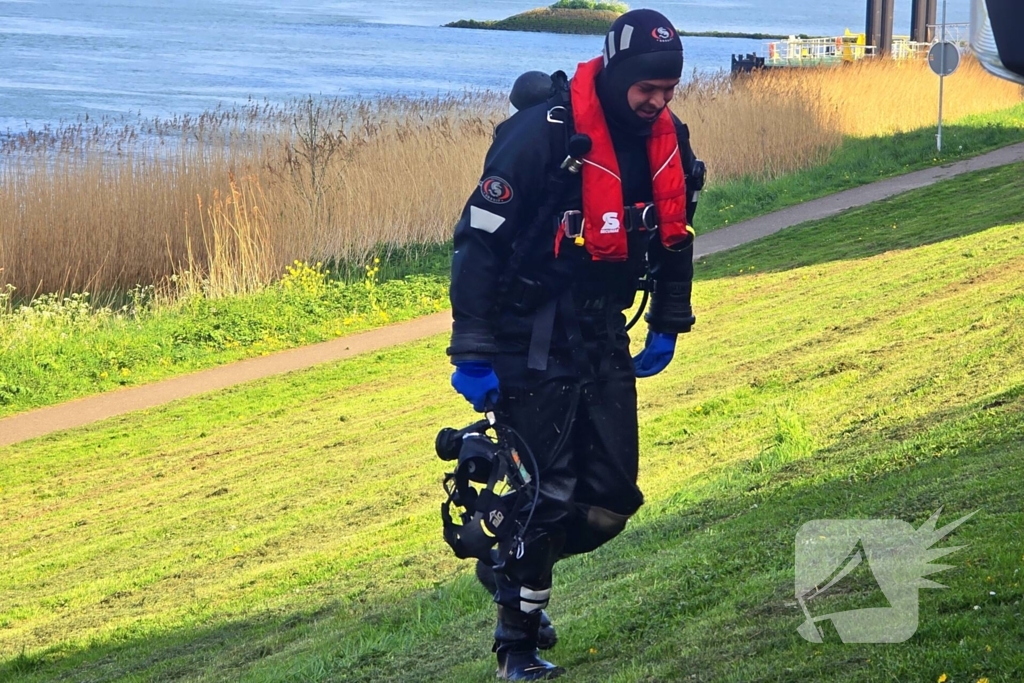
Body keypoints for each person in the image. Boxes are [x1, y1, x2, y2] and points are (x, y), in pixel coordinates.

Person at [446, 9, 702, 680]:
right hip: (527, 335)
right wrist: (470, 350)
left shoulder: (667, 141)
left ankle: (501, 557)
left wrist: (669, 319)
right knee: (547, 496)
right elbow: (476, 243)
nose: (657, 101)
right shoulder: (543, 136)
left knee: (612, 502)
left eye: (669, 89)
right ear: (617, 74)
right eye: (648, 88)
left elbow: (675, 234)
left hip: (600, 331)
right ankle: (517, 644)